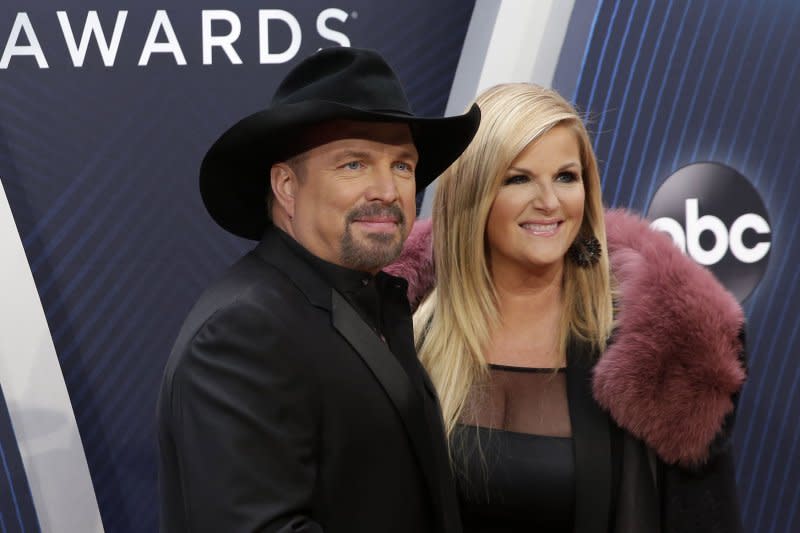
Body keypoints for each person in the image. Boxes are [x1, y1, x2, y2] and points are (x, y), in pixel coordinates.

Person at [387, 83, 746, 532]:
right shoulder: (405, 331)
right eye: (519, 178)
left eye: (566, 177)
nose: (550, 202)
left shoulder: (652, 355)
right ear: (473, 196)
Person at [157, 47, 480, 533]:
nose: (387, 191)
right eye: (354, 164)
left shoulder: (373, 300)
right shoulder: (244, 332)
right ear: (286, 186)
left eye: (402, 166)